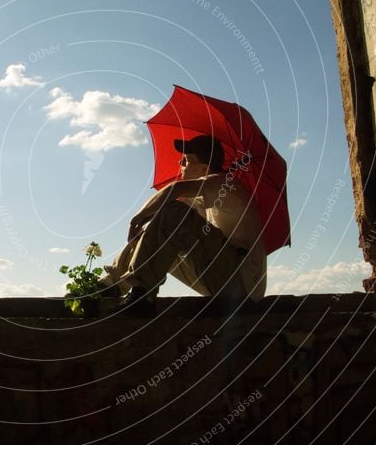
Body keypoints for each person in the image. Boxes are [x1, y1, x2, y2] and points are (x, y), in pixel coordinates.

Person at [99, 135, 267, 317]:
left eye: (187, 160)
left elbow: (175, 190)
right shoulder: (201, 200)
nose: (181, 163)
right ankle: (107, 288)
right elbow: (159, 228)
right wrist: (147, 224)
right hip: (219, 276)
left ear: (204, 168)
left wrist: (136, 218)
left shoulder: (225, 184)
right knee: (153, 233)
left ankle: (142, 297)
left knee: (172, 212)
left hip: (239, 282)